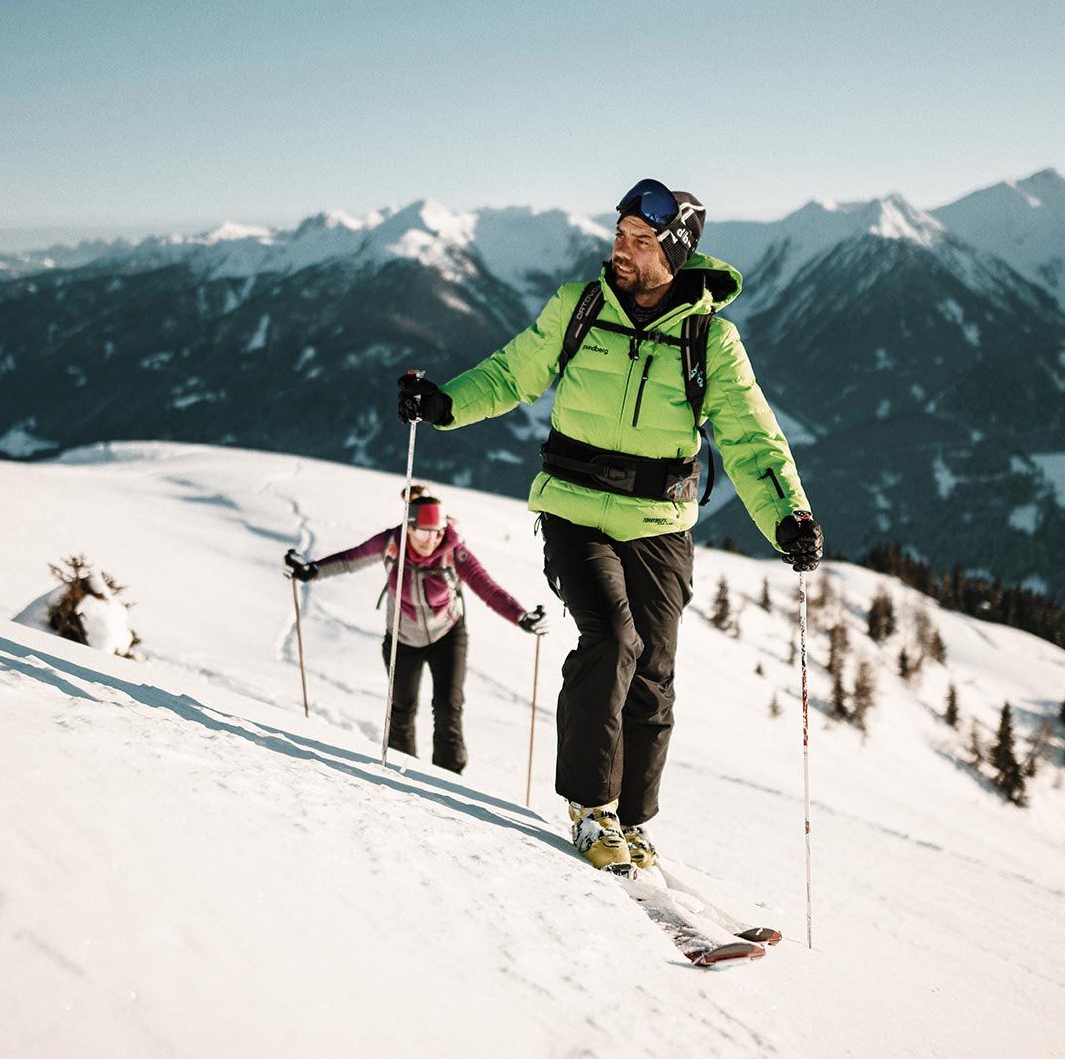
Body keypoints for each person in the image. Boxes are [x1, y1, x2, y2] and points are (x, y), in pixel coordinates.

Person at [394, 178, 822, 870]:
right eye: (619, 235)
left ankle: (633, 817)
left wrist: (789, 518)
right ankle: (591, 807)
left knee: (653, 666)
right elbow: (511, 375)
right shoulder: (579, 305)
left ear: (674, 253)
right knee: (611, 636)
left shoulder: (710, 339)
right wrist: (444, 405)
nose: (621, 250)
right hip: (573, 508)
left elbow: (751, 439)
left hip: (659, 521)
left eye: (640, 241)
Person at [284, 487, 546, 774]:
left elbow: (488, 589)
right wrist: (311, 570)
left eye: (436, 532)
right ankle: (402, 775)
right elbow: (349, 559)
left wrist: (522, 617)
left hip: (447, 635)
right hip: (402, 637)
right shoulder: (391, 544)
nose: (431, 540)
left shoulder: (454, 552)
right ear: (408, 529)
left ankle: (449, 779)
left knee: (448, 708)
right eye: (422, 533)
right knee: (401, 709)